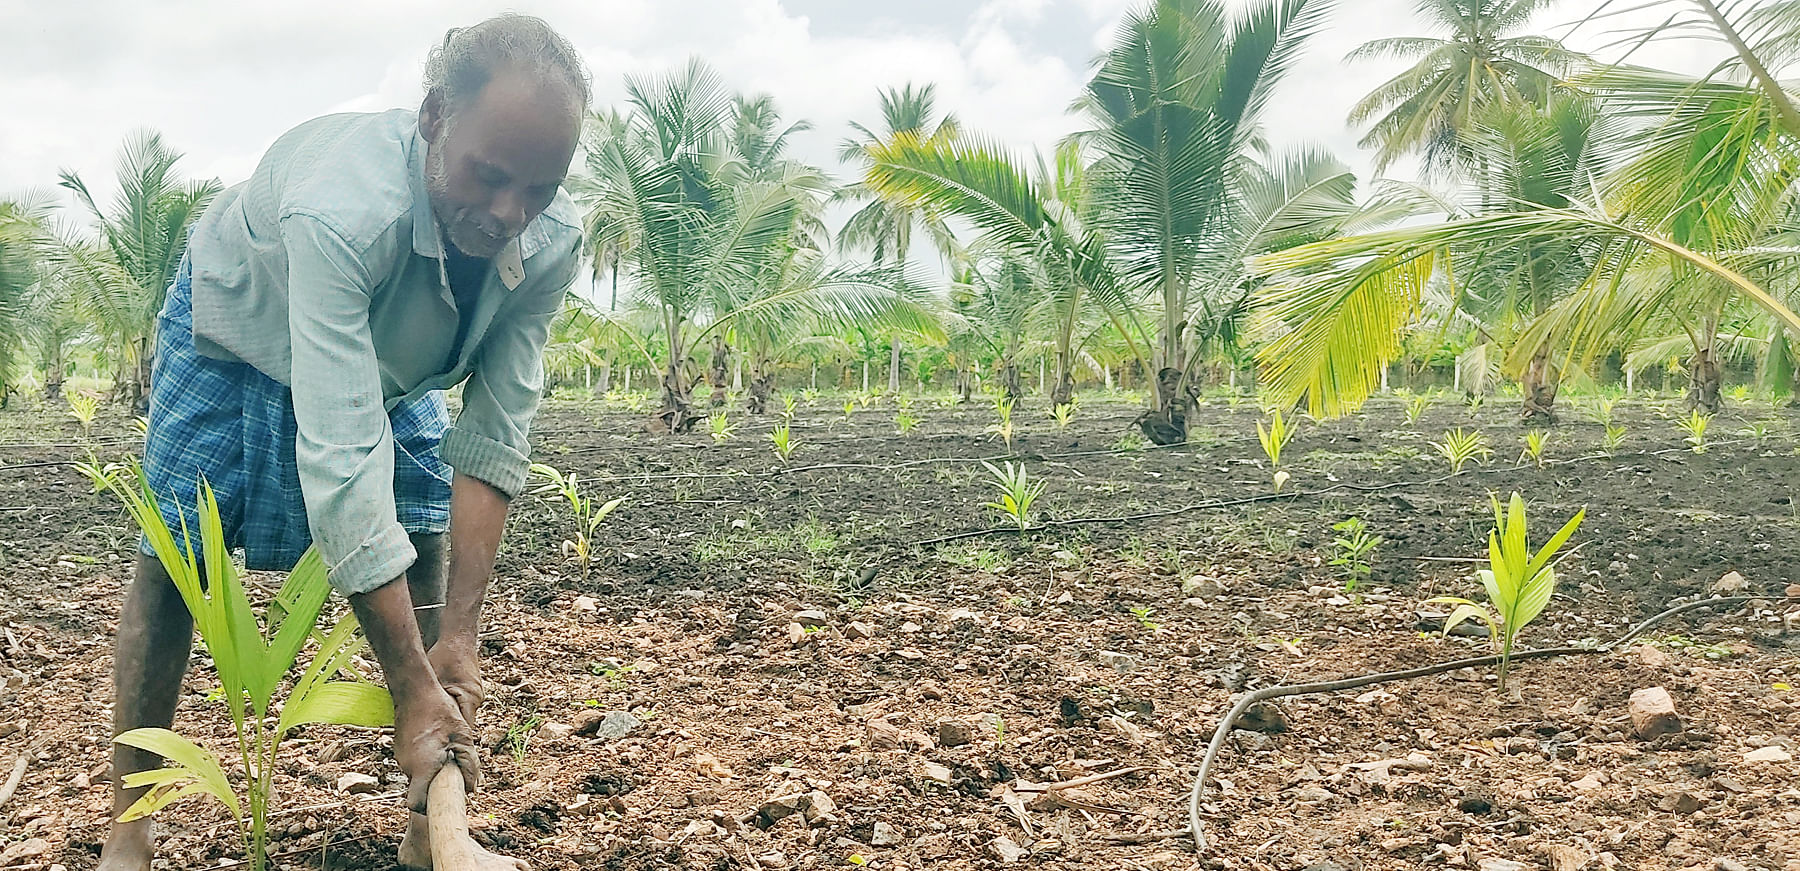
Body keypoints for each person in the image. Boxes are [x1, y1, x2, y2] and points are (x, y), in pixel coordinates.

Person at [99, 16, 587, 871]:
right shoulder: (344, 210)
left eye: (539, 189)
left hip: (391, 359)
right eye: (491, 176)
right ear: (435, 115)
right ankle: (129, 828)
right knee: (177, 559)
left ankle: (431, 828)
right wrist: (407, 685)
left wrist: (458, 642)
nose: (510, 213)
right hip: (239, 321)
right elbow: (343, 453)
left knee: (426, 525)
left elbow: (493, 438)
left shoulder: (548, 241)